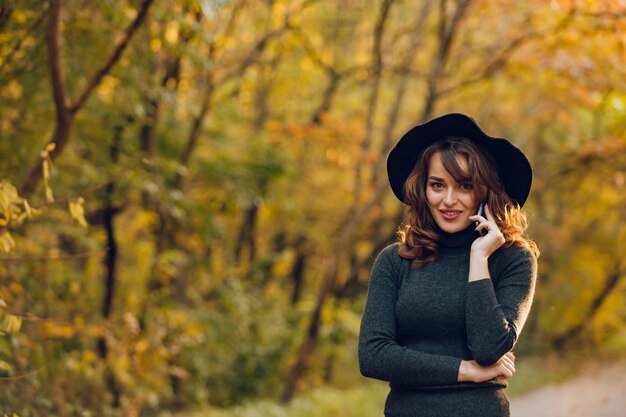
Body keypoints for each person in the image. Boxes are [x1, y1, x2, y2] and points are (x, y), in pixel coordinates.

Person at [358, 113, 539, 417]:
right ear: (423, 189)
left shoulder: (514, 259)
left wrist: (479, 258)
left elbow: (489, 348)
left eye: (465, 185)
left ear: (485, 190)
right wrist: (465, 370)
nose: (449, 200)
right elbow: (374, 356)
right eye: (438, 185)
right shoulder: (395, 261)